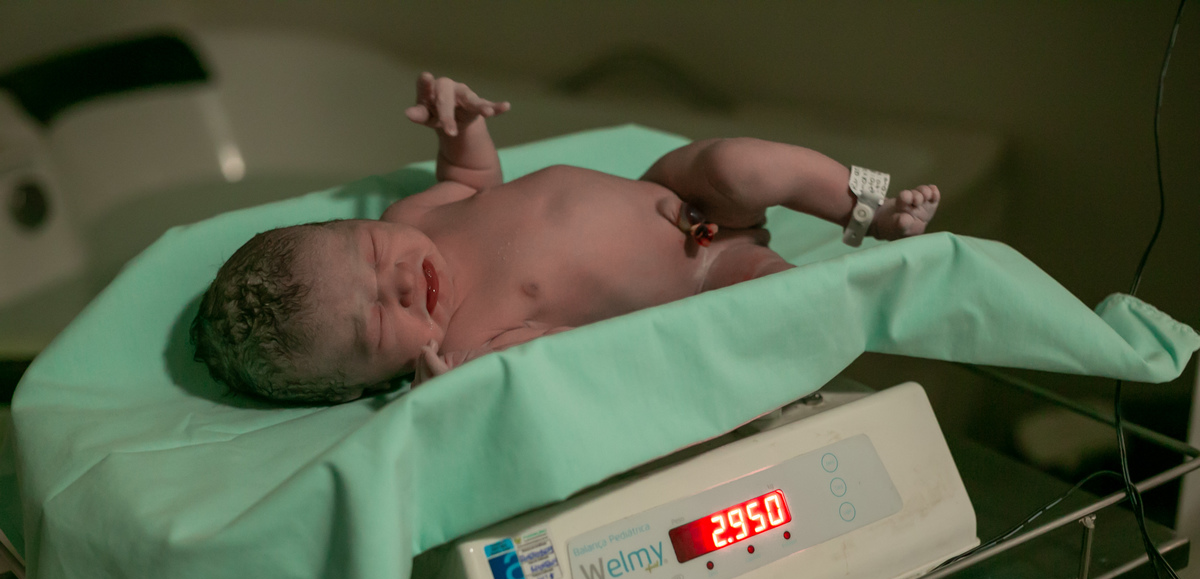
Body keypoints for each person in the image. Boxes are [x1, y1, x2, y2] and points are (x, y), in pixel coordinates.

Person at [191, 73, 940, 404]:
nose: (398, 280)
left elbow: (474, 180)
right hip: (707, 276)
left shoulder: (413, 218)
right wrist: (452, 399)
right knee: (785, 304)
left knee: (741, 165)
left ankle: (869, 209)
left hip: (674, 193)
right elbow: (551, 364)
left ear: (362, 225)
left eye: (368, 253)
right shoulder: (469, 347)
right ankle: (863, 293)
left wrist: (462, 128)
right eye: (378, 322)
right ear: (371, 381)